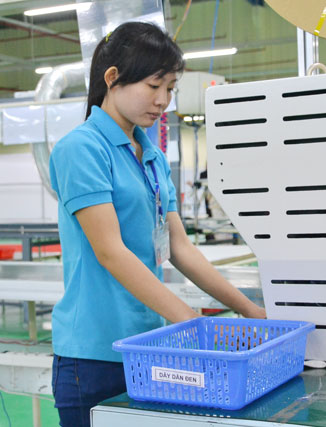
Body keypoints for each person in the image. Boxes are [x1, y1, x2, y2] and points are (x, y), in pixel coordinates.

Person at [49, 22, 265, 427]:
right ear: (112, 78)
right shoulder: (81, 149)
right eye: (155, 85)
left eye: (170, 88)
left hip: (149, 348)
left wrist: (251, 311)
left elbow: (180, 249)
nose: (164, 100)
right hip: (93, 355)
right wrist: (192, 323)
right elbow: (111, 252)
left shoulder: (152, 157)